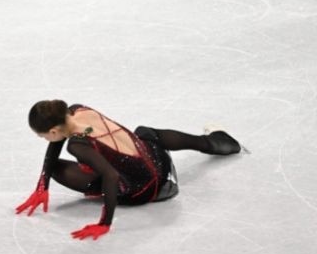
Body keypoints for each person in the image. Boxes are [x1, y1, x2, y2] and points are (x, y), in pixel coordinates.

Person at [15, 99, 241, 240]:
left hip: (143, 190)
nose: (44, 139)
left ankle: (209, 144)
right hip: (158, 162)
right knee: (144, 132)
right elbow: (60, 139)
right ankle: (214, 142)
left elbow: (111, 176)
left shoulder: (77, 144)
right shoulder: (78, 110)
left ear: (53, 131)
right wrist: (41, 186)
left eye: (42, 135)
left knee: (60, 167)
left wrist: (104, 223)